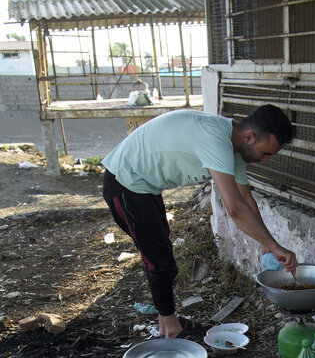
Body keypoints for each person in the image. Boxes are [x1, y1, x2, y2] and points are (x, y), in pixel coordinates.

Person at [102, 104, 298, 340]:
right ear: (249, 137)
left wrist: (268, 244)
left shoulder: (232, 146)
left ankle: (169, 322)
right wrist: (276, 246)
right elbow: (235, 209)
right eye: (266, 153)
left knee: (160, 255)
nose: (265, 160)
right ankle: (170, 330)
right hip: (125, 182)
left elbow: (245, 197)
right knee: (160, 262)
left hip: (144, 186)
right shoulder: (215, 139)